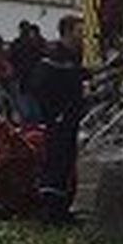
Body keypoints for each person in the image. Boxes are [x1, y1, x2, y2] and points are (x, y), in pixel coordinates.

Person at [30, 14, 88, 224]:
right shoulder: (56, 55)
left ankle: (61, 209)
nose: (83, 35)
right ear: (68, 31)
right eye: (80, 31)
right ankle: (52, 212)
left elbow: (77, 76)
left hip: (69, 118)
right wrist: (55, 111)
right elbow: (40, 84)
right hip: (60, 119)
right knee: (57, 162)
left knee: (65, 163)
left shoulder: (71, 55)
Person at [8, 21, 44, 124]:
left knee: (25, 109)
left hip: (21, 79)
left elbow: (11, 59)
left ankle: (27, 127)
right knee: (34, 109)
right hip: (34, 80)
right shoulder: (35, 44)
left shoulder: (16, 44)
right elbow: (40, 58)